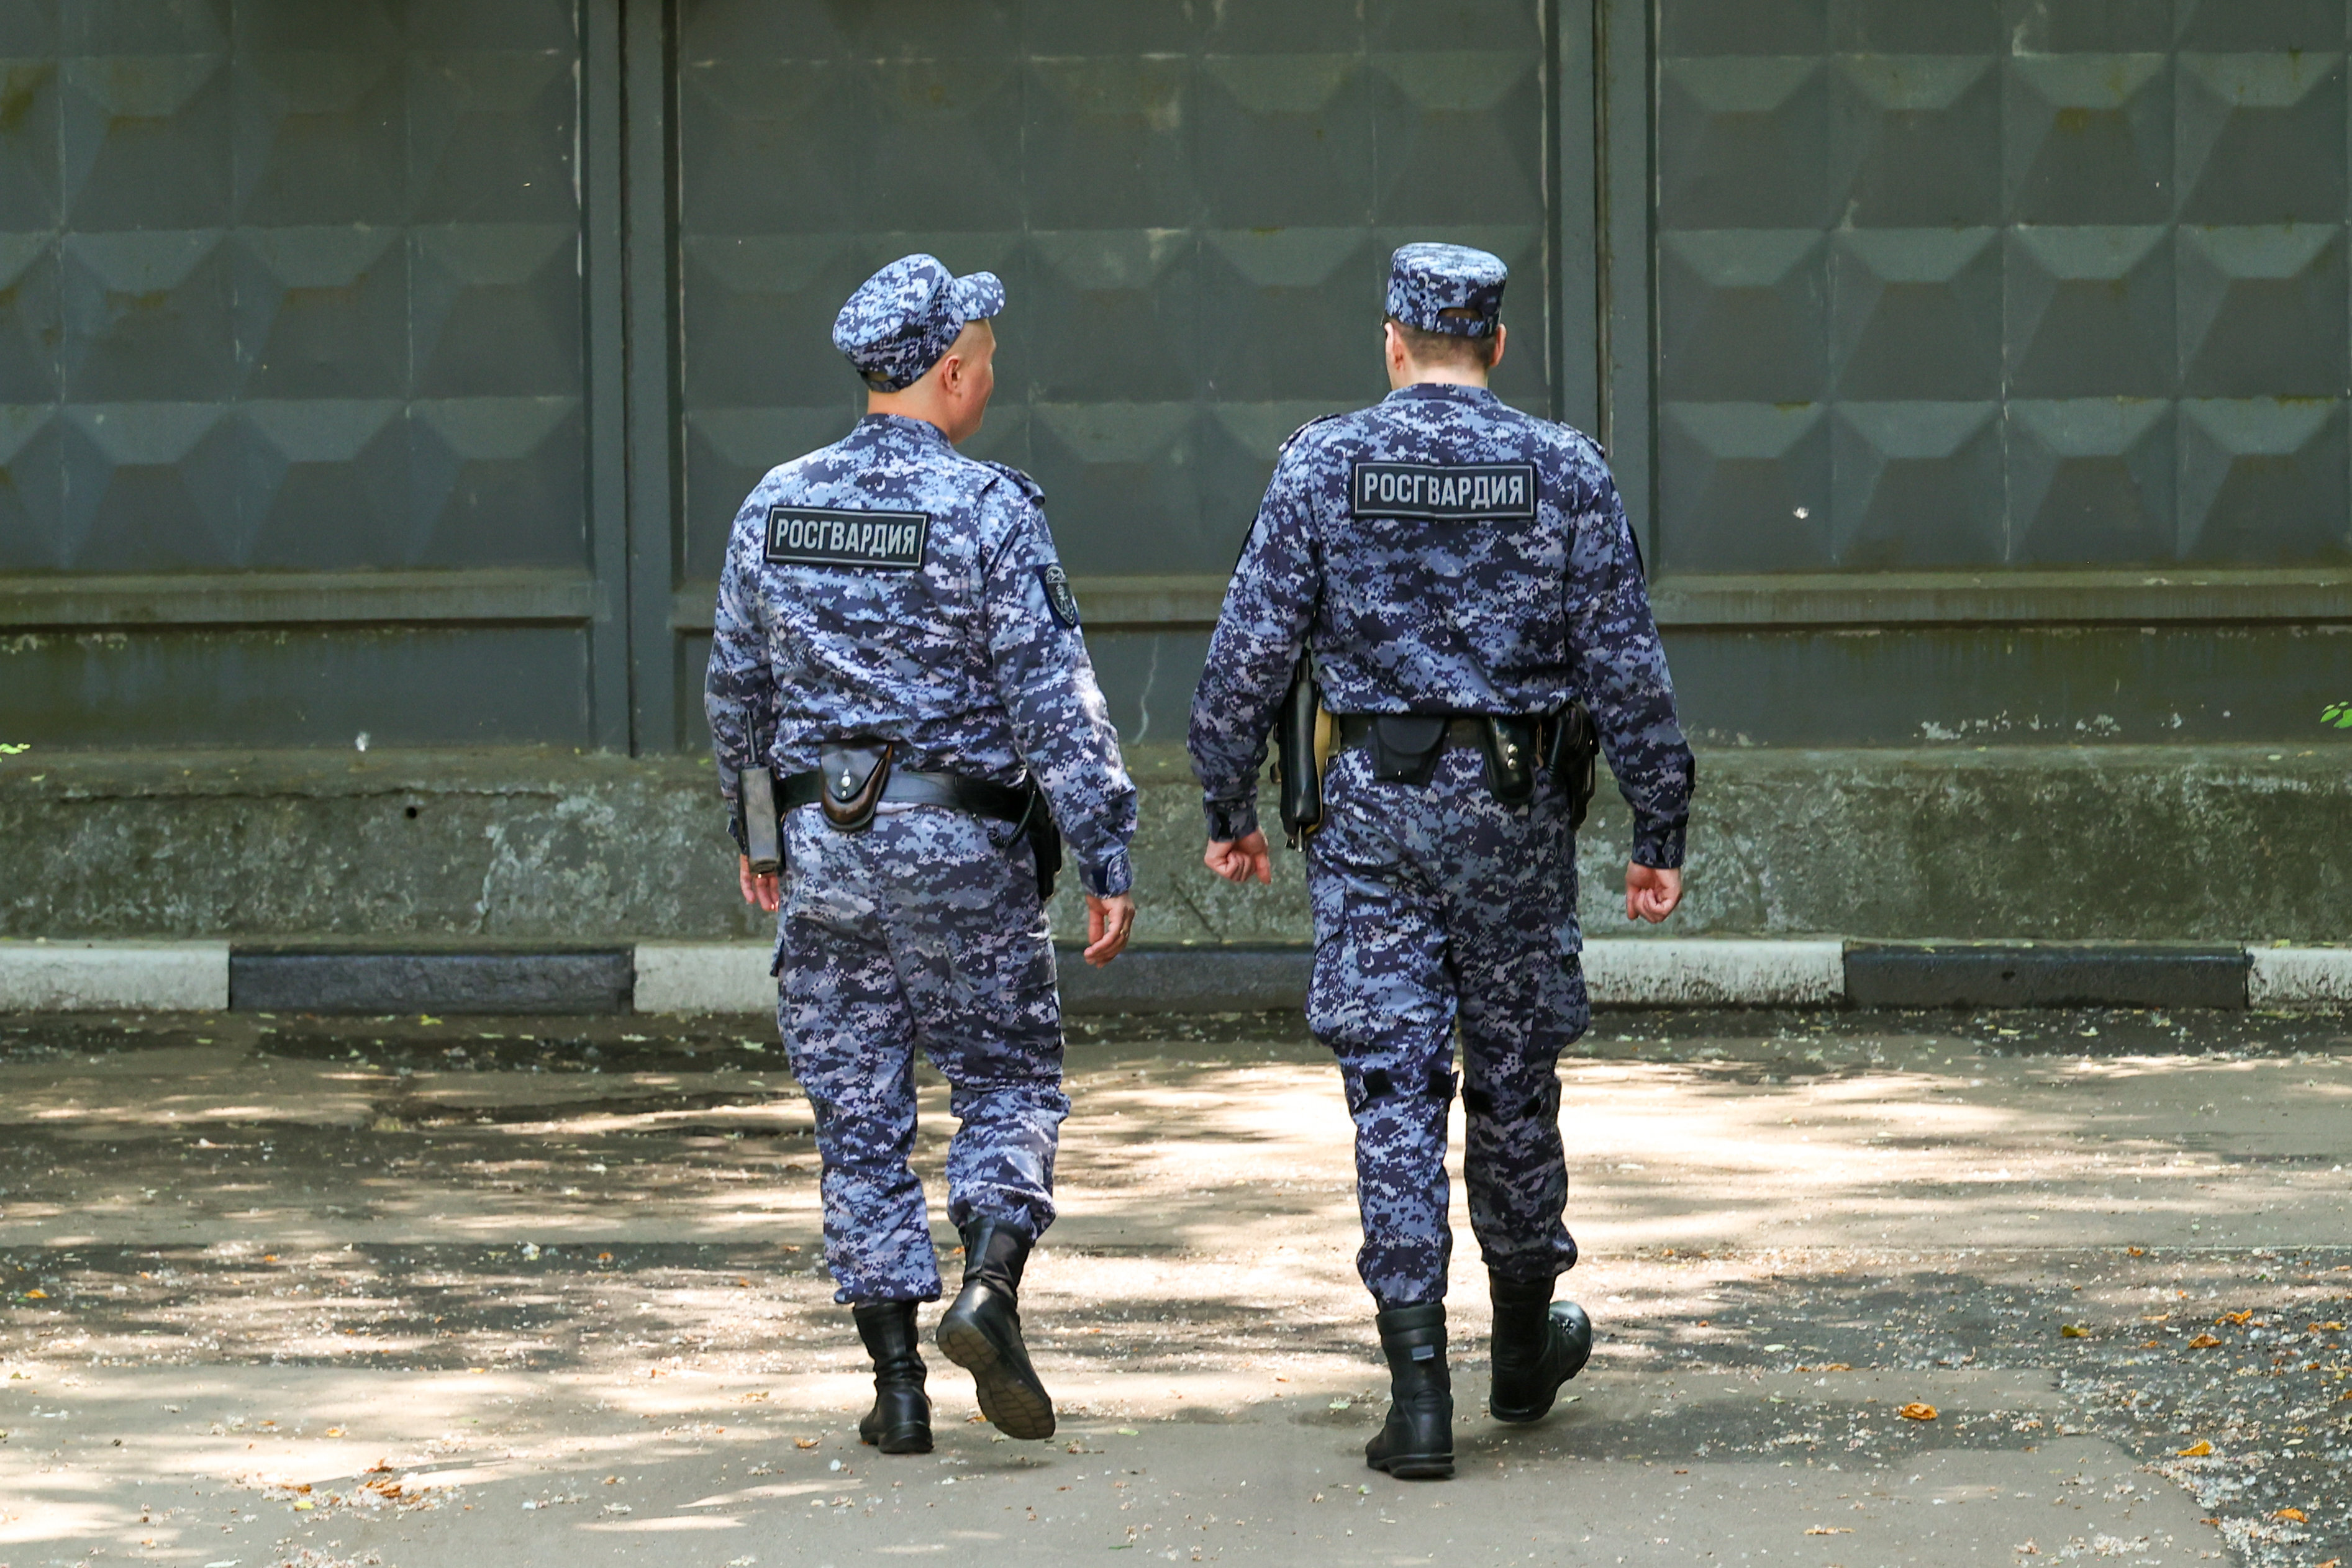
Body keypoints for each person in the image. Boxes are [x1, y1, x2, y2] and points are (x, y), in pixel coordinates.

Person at [1187, 243, 1694, 1480]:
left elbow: (1247, 653)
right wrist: (1655, 823)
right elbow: (1625, 663)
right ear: (1499, 345)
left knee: (1392, 1089)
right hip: (1518, 824)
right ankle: (1520, 1353)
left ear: (1393, 342)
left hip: (1370, 818)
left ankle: (1418, 1396)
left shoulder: (1323, 465)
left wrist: (1227, 798)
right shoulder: (1562, 469)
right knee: (1515, 1085)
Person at [706, 253, 1139, 1454]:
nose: (992, 383)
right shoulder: (989, 509)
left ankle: (897, 1390)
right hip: (963, 845)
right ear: (951, 372)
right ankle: (990, 1289)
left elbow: (735, 690)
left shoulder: (775, 504)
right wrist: (1107, 850)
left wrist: (758, 833)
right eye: (989, 363)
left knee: (857, 1111)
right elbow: (1057, 703)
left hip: (822, 844)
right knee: (1005, 1078)